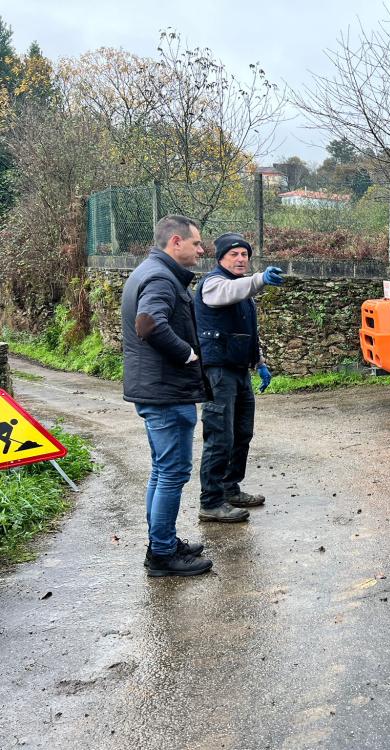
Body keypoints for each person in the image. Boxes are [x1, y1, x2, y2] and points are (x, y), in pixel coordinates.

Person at [121, 214, 212, 577]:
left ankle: (163, 542)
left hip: (158, 389)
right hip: (166, 392)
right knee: (172, 472)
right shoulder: (160, 277)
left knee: (162, 471)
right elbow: (149, 324)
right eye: (196, 243)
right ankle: (161, 554)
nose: (202, 249)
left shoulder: (148, 271)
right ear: (176, 242)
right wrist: (187, 354)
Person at [193, 232, 284, 523]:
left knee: (242, 433)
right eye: (234, 254)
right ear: (220, 258)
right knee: (220, 436)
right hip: (218, 371)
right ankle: (210, 501)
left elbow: (248, 332)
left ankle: (230, 489)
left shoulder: (244, 294)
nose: (241, 259)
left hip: (239, 370)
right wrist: (259, 280)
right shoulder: (213, 284)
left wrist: (259, 362)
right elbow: (230, 292)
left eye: (245, 254)